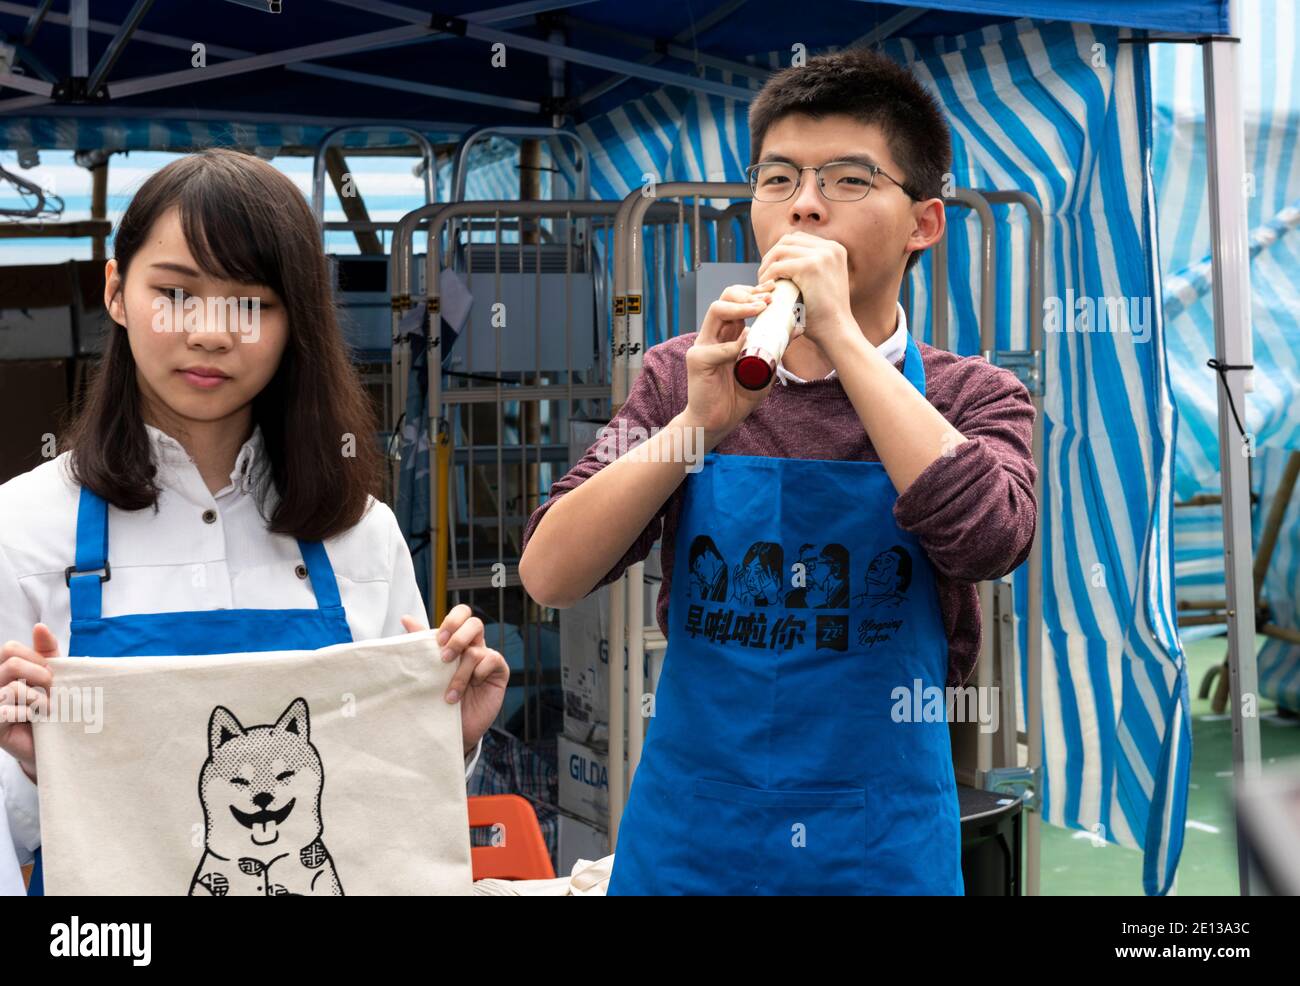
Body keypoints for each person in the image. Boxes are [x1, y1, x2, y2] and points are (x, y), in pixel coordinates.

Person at [519, 47, 1037, 895]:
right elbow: (548, 571)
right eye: (777, 179)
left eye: (848, 180)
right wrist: (697, 426)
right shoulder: (681, 374)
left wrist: (839, 337)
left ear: (924, 224)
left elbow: (989, 539)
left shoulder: (972, 396)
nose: (803, 206)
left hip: (877, 841)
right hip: (692, 837)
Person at [0, 149, 508, 895]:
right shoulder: (22, 530)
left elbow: (375, 826)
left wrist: (444, 737)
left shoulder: (361, 535)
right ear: (115, 292)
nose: (210, 334)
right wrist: (49, 765)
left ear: (296, 318)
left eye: (252, 303)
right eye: (175, 293)